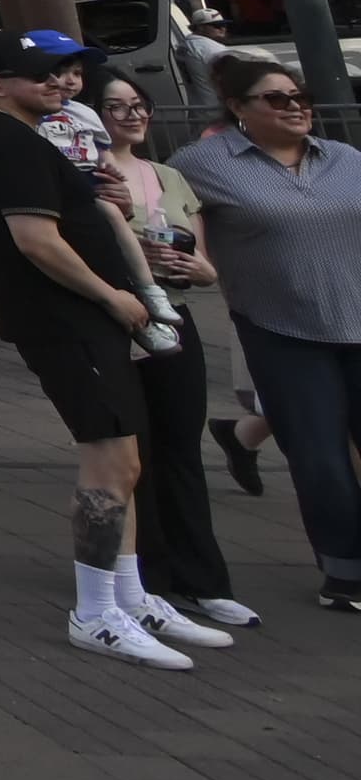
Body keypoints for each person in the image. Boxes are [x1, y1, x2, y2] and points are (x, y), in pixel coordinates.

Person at [0, 28, 222, 668]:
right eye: (45, 72)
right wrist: (111, 295)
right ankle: (97, 609)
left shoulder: (27, 136)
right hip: (68, 320)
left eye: (70, 70)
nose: (63, 82)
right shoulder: (8, 140)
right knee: (109, 461)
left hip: (88, 318)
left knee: (125, 461)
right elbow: (35, 241)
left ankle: (129, 595)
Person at [174, 56, 361, 611]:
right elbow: (165, 215)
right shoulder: (202, 164)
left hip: (358, 319)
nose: (296, 106)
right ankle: (345, 575)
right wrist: (198, 265)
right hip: (282, 329)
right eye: (276, 98)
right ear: (238, 109)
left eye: (299, 95)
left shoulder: (346, 159)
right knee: (321, 458)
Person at [95, 72, 256, 628]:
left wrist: (196, 267)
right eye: (117, 106)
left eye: (139, 105)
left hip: (175, 318)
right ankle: (147, 581)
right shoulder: (85, 177)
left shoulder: (168, 175)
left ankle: (204, 581)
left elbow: (206, 266)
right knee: (131, 455)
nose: (132, 115)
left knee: (181, 450)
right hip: (117, 321)